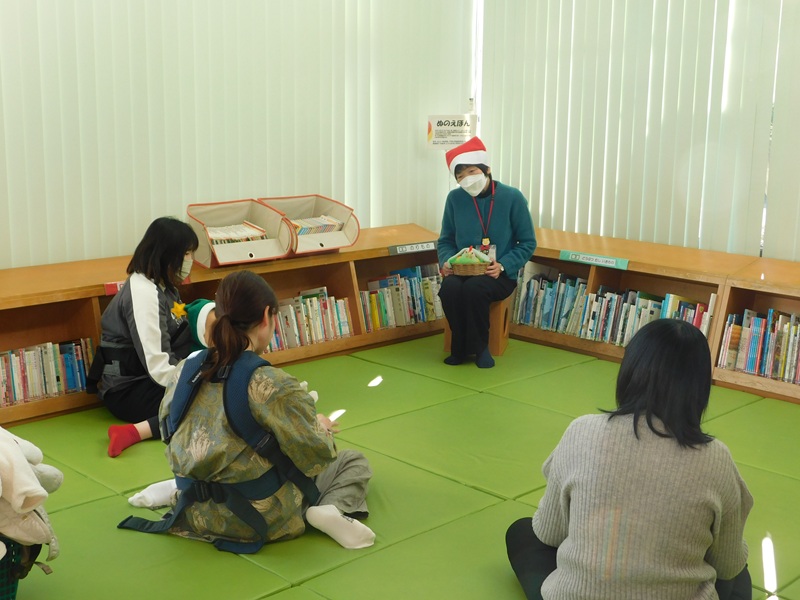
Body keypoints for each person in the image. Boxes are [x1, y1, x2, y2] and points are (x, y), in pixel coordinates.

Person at [120, 269, 375, 552]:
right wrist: (320, 427)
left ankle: (176, 489)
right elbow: (316, 455)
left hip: (195, 513)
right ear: (267, 317)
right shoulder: (273, 384)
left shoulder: (185, 370)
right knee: (352, 461)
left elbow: (172, 434)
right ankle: (330, 508)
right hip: (257, 518)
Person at [505, 319, 753, 600]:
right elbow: (728, 564)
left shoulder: (582, 431)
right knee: (740, 573)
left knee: (522, 532)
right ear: (698, 387)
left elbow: (549, 532)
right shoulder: (716, 458)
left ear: (630, 371)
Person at [89, 217, 199, 457]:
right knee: (207, 399)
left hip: (148, 381)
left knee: (215, 389)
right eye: (187, 253)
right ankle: (132, 432)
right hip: (128, 390)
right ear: (167, 254)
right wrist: (196, 379)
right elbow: (158, 365)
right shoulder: (144, 292)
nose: (191, 260)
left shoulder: (165, 286)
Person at [437, 136, 537, 368]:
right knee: (449, 289)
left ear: (486, 169)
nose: (466, 179)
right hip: (462, 272)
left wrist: (502, 265)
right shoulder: (454, 199)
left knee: (475, 288)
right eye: (460, 176)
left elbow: (528, 243)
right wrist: (446, 261)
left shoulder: (512, 198)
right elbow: (445, 240)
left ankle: (480, 347)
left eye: (471, 171)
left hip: (498, 275)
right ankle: (459, 346)